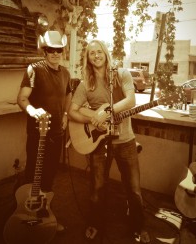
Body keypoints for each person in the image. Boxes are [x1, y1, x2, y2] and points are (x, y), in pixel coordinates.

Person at [68, 39, 150, 243]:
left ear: (105, 53)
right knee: (97, 188)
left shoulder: (121, 75)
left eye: (99, 51)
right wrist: (93, 119)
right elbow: (72, 111)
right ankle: (95, 223)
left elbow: (131, 101)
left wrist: (108, 111)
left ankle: (139, 226)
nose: (96, 55)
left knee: (134, 190)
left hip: (126, 142)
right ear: (87, 58)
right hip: (99, 144)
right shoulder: (85, 84)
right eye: (91, 53)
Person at [17, 30, 72, 232]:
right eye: (51, 50)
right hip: (38, 134)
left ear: (63, 51)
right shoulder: (34, 69)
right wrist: (33, 111)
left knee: (49, 177)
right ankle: (23, 213)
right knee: (32, 175)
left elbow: (68, 96)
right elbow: (22, 99)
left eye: (58, 50)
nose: (55, 53)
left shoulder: (66, 73)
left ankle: (43, 214)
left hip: (56, 134)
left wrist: (66, 114)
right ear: (45, 51)